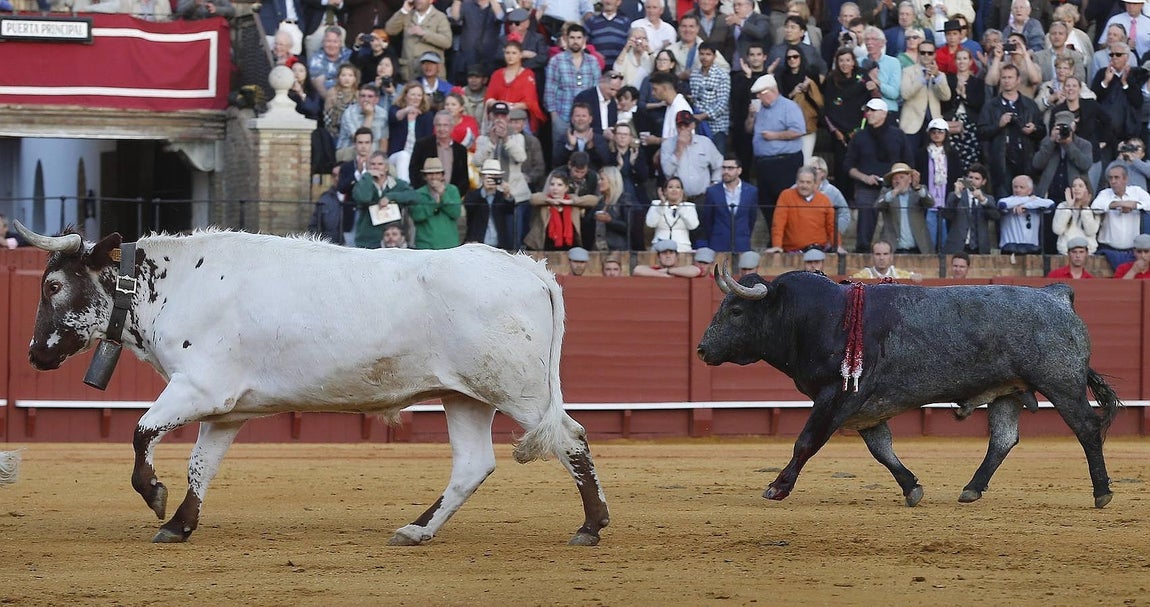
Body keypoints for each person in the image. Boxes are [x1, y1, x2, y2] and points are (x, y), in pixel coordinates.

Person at [845, 98, 914, 252]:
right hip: (866, 188)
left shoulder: (898, 135)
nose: (869, 113)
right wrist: (865, 177)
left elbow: (909, 163)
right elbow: (848, 166)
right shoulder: (859, 136)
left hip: (893, 188)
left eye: (873, 110)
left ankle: (899, 253)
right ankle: (862, 253)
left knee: (898, 223)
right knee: (864, 227)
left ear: (884, 113)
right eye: (868, 110)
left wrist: (900, 182)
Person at [977, 64, 1045, 199]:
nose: (1007, 81)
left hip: (1025, 160)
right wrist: (998, 125)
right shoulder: (991, 106)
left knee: (1025, 201)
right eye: (1004, 78)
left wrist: (1033, 129)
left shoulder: (1029, 104)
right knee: (1003, 201)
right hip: (1001, 162)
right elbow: (981, 132)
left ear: (1018, 80)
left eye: (1010, 77)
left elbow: (1042, 131)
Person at [748, 73, 806, 233]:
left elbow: (799, 131)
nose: (758, 97)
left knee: (784, 201)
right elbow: (749, 129)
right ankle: (775, 235)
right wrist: (751, 116)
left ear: (772, 91)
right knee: (766, 202)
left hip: (784, 162)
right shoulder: (760, 109)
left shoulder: (789, 107)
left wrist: (775, 135)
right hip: (764, 163)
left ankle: (787, 236)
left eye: (761, 93)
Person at [822, 48, 870, 200]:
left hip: (860, 129)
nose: (844, 64)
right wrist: (835, 130)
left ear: (853, 61)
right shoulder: (831, 79)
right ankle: (842, 199)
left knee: (859, 162)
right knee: (841, 165)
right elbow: (827, 107)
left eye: (848, 60)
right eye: (841, 60)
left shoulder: (862, 76)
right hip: (839, 131)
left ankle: (857, 197)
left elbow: (871, 100)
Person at [545, 24, 602, 145]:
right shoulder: (556, 61)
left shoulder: (592, 61)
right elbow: (550, 90)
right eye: (572, 37)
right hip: (562, 116)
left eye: (578, 38)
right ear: (566, 39)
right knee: (561, 152)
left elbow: (597, 91)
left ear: (584, 40)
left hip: (585, 119)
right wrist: (554, 116)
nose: (575, 41)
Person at [351, 151, 419, 248]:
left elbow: (415, 196)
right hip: (367, 240)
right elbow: (364, 198)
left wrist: (390, 197)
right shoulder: (363, 183)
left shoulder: (398, 184)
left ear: (386, 167)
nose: (376, 167)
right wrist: (367, 175)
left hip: (392, 240)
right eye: (372, 164)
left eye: (380, 164)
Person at [1091, 164, 1150, 269]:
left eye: (1116, 177)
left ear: (1125, 179)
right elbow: (1095, 208)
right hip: (1108, 251)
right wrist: (1118, 204)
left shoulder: (1136, 191)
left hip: (1132, 251)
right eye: (1110, 178)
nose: (1113, 181)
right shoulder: (1104, 194)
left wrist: (1134, 205)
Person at [766, 166, 837, 254]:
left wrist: (837, 246)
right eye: (801, 182)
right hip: (792, 252)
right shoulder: (786, 196)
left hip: (819, 251)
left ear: (815, 184)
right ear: (796, 182)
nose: (804, 186)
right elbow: (778, 224)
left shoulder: (824, 200)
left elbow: (832, 226)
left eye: (808, 182)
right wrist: (777, 246)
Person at [773, 43, 823, 163]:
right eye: (789, 57)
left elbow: (818, 100)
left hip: (807, 122)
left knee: (806, 159)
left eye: (795, 56)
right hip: (788, 123)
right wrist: (793, 93)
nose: (792, 60)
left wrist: (808, 88)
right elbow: (779, 100)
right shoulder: (782, 76)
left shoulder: (810, 74)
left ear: (801, 57)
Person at [917, 118, 962, 251]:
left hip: (945, 201)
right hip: (929, 201)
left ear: (946, 134)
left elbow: (958, 175)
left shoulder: (952, 153)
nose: (937, 135)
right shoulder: (922, 153)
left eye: (940, 132)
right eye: (934, 132)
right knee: (930, 239)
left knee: (945, 240)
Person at [525, 171, 599, 250]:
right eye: (552, 184)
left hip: (570, 247)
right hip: (544, 247)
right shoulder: (543, 200)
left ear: (566, 188)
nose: (555, 188)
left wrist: (570, 202)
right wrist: (549, 200)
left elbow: (594, 200)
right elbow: (533, 199)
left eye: (559, 185)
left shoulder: (572, 199)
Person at [1091, 41, 1148, 145]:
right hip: (1105, 130)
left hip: (1128, 131)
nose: (1114, 57)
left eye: (1118, 54)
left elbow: (1138, 102)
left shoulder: (1135, 74)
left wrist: (1125, 83)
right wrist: (1105, 82)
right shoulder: (1102, 73)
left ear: (1126, 57)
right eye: (1111, 55)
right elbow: (1094, 98)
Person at [899, 39, 951, 152]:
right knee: (911, 158)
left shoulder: (940, 75)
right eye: (923, 53)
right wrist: (923, 79)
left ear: (935, 55)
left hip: (933, 124)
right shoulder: (908, 71)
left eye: (930, 53)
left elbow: (946, 96)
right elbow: (905, 94)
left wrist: (937, 77)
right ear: (918, 54)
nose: (926, 56)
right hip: (912, 124)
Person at [699, 155, 758, 254]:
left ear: (739, 170)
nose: (726, 171)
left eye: (730, 168)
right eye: (724, 168)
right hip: (718, 242)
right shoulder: (712, 191)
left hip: (742, 242)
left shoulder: (751, 191)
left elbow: (752, 218)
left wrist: (745, 235)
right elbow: (708, 219)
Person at [660, 110, 723, 203]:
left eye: (686, 125)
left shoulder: (705, 142)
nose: (683, 128)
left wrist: (715, 183)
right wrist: (679, 149)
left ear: (693, 125)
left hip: (703, 197)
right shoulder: (667, 145)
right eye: (680, 125)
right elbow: (667, 172)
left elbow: (719, 164)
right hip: (679, 199)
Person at [485, 41, 547, 134]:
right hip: (498, 116)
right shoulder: (496, 74)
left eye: (514, 53)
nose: (510, 56)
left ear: (520, 55)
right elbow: (489, 97)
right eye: (507, 53)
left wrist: (510, 106)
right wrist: (496, 103)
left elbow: (530, 102)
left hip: (518, 117)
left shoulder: (527, 74)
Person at [384, 0, 452, 81]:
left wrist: (424, 33)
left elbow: (447, 42)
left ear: (431, 1)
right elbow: (390, 30)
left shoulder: (440, 17)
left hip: (432, 76)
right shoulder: (407, 14)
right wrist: (403, 10)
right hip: (409, 73)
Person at [875, 162, 934, 253]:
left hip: (917, 248)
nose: (898, 181)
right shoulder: (886, 192)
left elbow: (930, 203)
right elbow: (877, 206)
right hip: (893, 248)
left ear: (910, 179)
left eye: (901, 177)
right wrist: (895, 191)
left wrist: (917, 187)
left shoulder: (917, 191)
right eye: (895, 178)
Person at [942, 47, 985, 173]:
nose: (962, 62)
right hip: (951, 121)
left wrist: (964, 96)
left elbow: (979, 105)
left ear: (970, 61)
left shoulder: (977, 82)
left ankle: (968, 184)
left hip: (970, 124)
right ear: (955, 61)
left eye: (965, 58)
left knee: (970, 159)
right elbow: (944, 104)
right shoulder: (948, 80)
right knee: (950, 157)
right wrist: (956, 94)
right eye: (959, 59)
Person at [409, 110, 470, 196]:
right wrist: (428, 193)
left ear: (452, 127)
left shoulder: (461, 150)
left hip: (451, 199)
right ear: (434, 126)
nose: (442, 129)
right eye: (438, 125)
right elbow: (414, 172)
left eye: (445, 125)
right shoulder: (422, 145)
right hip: (426, 197)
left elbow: (464, 179)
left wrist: (453, 195)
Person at [408, 157, 462, 249]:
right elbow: (417, 216)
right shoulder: (418, 194)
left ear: (442, 175)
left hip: (449, 245)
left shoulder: (452, 190)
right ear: (424, 176)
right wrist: (434, 203)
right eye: (430, 174)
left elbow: (456, 213)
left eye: (437, 173)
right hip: (425, 245)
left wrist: (443, 194)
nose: (434, 177)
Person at [942, 162, 996, 254]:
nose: (973, 181)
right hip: (958, 247)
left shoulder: (988, 199)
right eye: (970, 177)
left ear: (983, 182)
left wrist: (983, 200)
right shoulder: (954, 195)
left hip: (980, 249)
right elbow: (947, 215)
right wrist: (957, 195)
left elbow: (995, 216)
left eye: (977, 178)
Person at [387, 82, 435, 182]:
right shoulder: (395, 109)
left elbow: (428, 139)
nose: (416, 98)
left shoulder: (427, 116)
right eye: (413, 94)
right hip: (396, 156)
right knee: (404, 155)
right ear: (405, 96)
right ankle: (405, 186)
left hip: (416, 157)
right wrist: (407, 110)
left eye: (419, 95)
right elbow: (395, 117)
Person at [689, 42, 732, 155]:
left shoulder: (722, 76)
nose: (704, 57)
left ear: (714, 56)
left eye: (708, 54)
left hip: (717, 128)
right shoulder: (694, 75)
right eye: (702, 54)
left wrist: (701, 116)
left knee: (717, 160)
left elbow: (722, 104)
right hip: (698, 127)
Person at [463, 159, 516, 250]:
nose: (492, 179)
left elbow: (510, 211)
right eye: (489, 175)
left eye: (495, 176)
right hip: (477, 245)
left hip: (499, 246)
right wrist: (484, 191)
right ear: (482, 177)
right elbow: (469, 207)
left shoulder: (501, 196)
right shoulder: (473, 195)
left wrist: (507, 195)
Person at [447, 0, 504, 84]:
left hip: (489, 56)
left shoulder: (498, 5)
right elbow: (455, 19)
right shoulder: (467, 4)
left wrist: (492, 2)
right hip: (468, 55)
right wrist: (457, 1)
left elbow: (500, 17)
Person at [997, 175, 1055, 255]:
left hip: (1031, 247)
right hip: (1010, 247)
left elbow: (1051, 204)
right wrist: (1027, 200)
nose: (1018, 190)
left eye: (1022, 187)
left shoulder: (1035, 202)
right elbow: (1002, 205)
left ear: (1030, 190)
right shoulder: (1007, 200)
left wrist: (1025, 206)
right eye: (1015, 187)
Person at [807, 156, 851, 252]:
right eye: (812, 168)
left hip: (826, 242)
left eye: (819, 169)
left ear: (824, 173)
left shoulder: (833, 192)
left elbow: (845, 214)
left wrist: (834, 233)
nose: (815, 171)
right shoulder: (795, 189)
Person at [588, 165, 633, 252]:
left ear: (612, 180)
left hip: (617, 250)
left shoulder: (623, 200)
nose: (599, 182)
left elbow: (629, 227)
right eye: (599, 179)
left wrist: (610, 221)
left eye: (602, 179)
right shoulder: (600, 201)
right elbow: (588, 222)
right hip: (597, 248)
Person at [1052, 176, 1101, 255]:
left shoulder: (1094, 207)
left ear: (1087, 190)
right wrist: (1068, 207)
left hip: (1088, 253)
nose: (1076, 188)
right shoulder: (1062, 206)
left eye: (1080, 186)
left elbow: (1090, 231)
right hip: (1065, 252)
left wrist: (1085, 209)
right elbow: (1057, 230)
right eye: (1074, 186)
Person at [337, 83, 389, 157]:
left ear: (376, 100)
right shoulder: (349, 112)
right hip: (349, 150)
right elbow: (359, 139)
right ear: (358, 98)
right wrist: (369, 116)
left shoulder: (383, 114)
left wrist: (381, 158)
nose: (366, 99)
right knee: (364, 147)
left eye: (370, 96)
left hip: (372, 153)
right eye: (363, 96)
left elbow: (383, 141)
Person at [554, 103, 611, 168]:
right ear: (572, 119)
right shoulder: (563, 139)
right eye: (577, 116)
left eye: (584, 116)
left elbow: (604, 163)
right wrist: (570, 147)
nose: (581, 119)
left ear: (590, 119)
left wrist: (590, 147)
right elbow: (557, 163)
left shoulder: (600, 139)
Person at [724, 0, 771, 71]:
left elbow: (759, 33)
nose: (736, 8)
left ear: (750, 6)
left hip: (753, 66)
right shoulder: (732, 22)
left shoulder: (761, 18)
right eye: (734, 5)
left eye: (739, 4)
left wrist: (740, 22)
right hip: (734, 66)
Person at [573, 71, 622, 136]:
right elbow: (580, 125)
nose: (614, 94)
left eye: (617, 90)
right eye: (612, 89)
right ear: (602, 82)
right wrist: (602, 133)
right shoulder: (584, 98)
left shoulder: (613, 103)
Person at [586, 0, 632, 68]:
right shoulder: (591, 21)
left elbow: (630, 46)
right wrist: (594, 53)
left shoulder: (625, 22)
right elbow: (583, 44)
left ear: (618, 2)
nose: (608, 1)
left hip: (619, 68)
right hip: (596, 67)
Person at [308, 26, 353, 93]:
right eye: (328, 41)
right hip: (326, 94)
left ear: (340, 43)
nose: (331, 45)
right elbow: (318, 83)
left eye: (335, 42)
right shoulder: (316, 59)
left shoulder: (348, 54)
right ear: (323, 42)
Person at [852, 240, 923, 281]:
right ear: (872, 257)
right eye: (878, 254)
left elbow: (916, 276)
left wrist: (916, 277)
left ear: (891, 257)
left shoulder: (899, 274)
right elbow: (850, 281)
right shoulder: (864, 275)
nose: (881, 258)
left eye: (885, 254)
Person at [632, 238, 704, 277]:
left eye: (671, 253)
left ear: (676, 256)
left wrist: (668, 271)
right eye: (664, 253)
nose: (668, 256)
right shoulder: (655, 270)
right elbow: (637, 270)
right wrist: (663, 275)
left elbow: (696, 271)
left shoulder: (681, 270)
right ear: (658, 257)